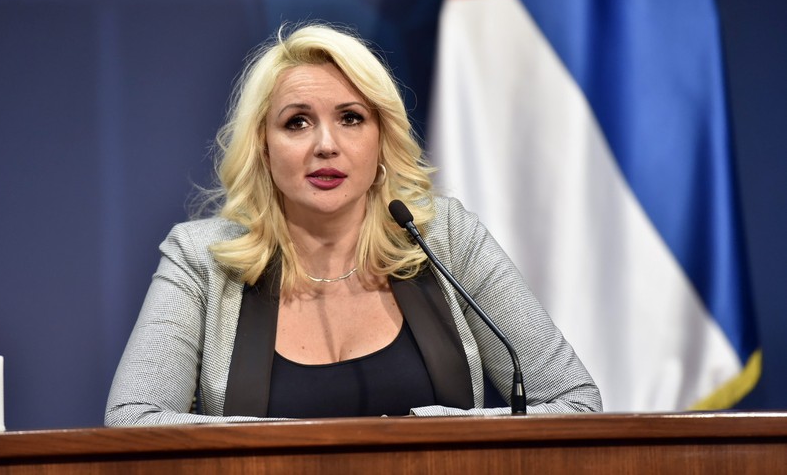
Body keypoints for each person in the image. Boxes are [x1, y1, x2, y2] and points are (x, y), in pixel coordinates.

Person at [105, 23, 601, 425]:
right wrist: (320, 445)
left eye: (351, 118)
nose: (326, 145)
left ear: (381, 138)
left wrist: (409, 433)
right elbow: (134, 419)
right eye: (297, 122)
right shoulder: (202, 259)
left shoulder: (446, 239)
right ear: (264, 147)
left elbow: (574, 403)